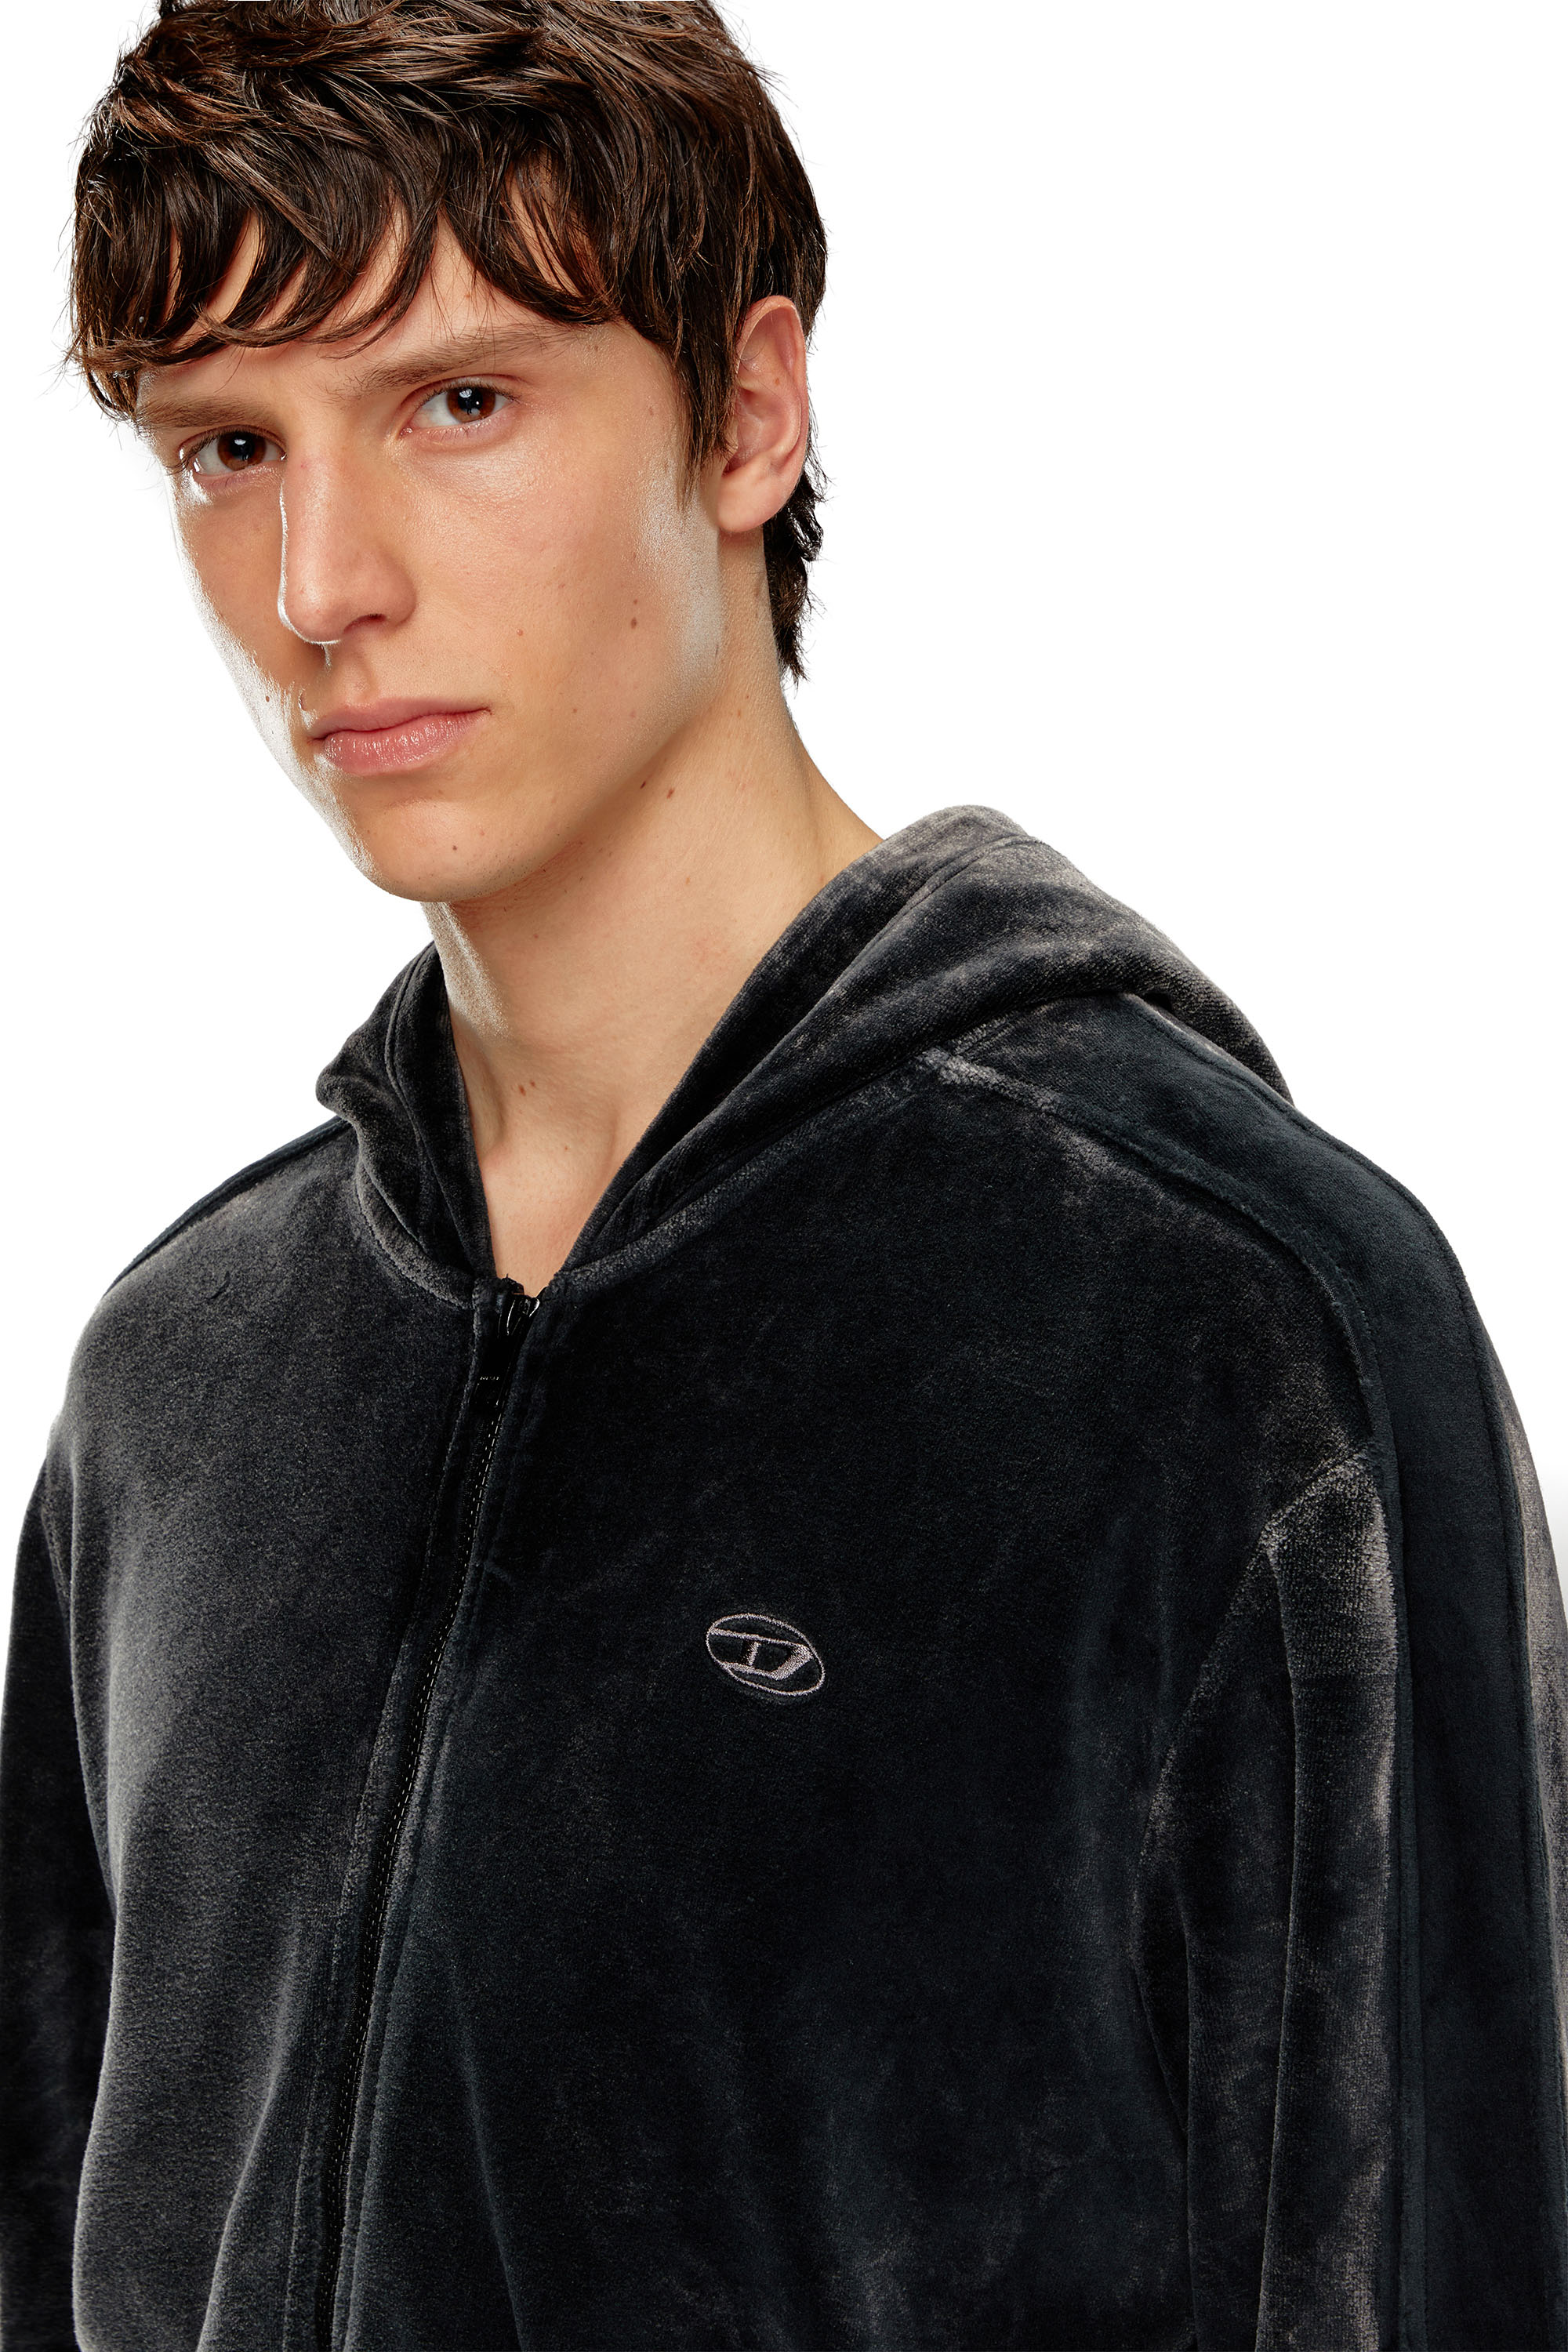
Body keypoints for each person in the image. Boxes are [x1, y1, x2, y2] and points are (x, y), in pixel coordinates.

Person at [2, 0, 1564, 2344]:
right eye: (229, 446)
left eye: (460, 401)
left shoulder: (1225, 1326)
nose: (322, 580)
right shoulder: (186, 1381)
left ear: (747, 415)